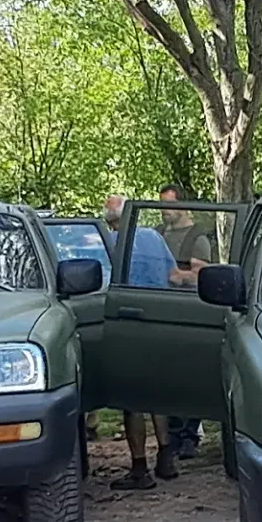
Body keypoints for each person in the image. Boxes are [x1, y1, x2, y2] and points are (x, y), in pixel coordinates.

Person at [103, 194, 180, 488]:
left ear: (113, 221)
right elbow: (173, 275)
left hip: (126, 322)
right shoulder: (153, 237)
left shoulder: (109, 242)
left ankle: (139, 469)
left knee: (131, 398)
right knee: (156, 392)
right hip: (158, 317)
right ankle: (166, 457)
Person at [158, 185, 208, 460]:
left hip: (190, 310)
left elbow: (202, 275)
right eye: (162, 205)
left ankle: (189, 435)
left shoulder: (197, 237)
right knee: (167, 376)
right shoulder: (156, 234)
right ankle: (173, 436)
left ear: (183, 205)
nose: (165, 211)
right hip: (161, 309)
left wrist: (181, 276)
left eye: (169, 205)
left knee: (189, 374)